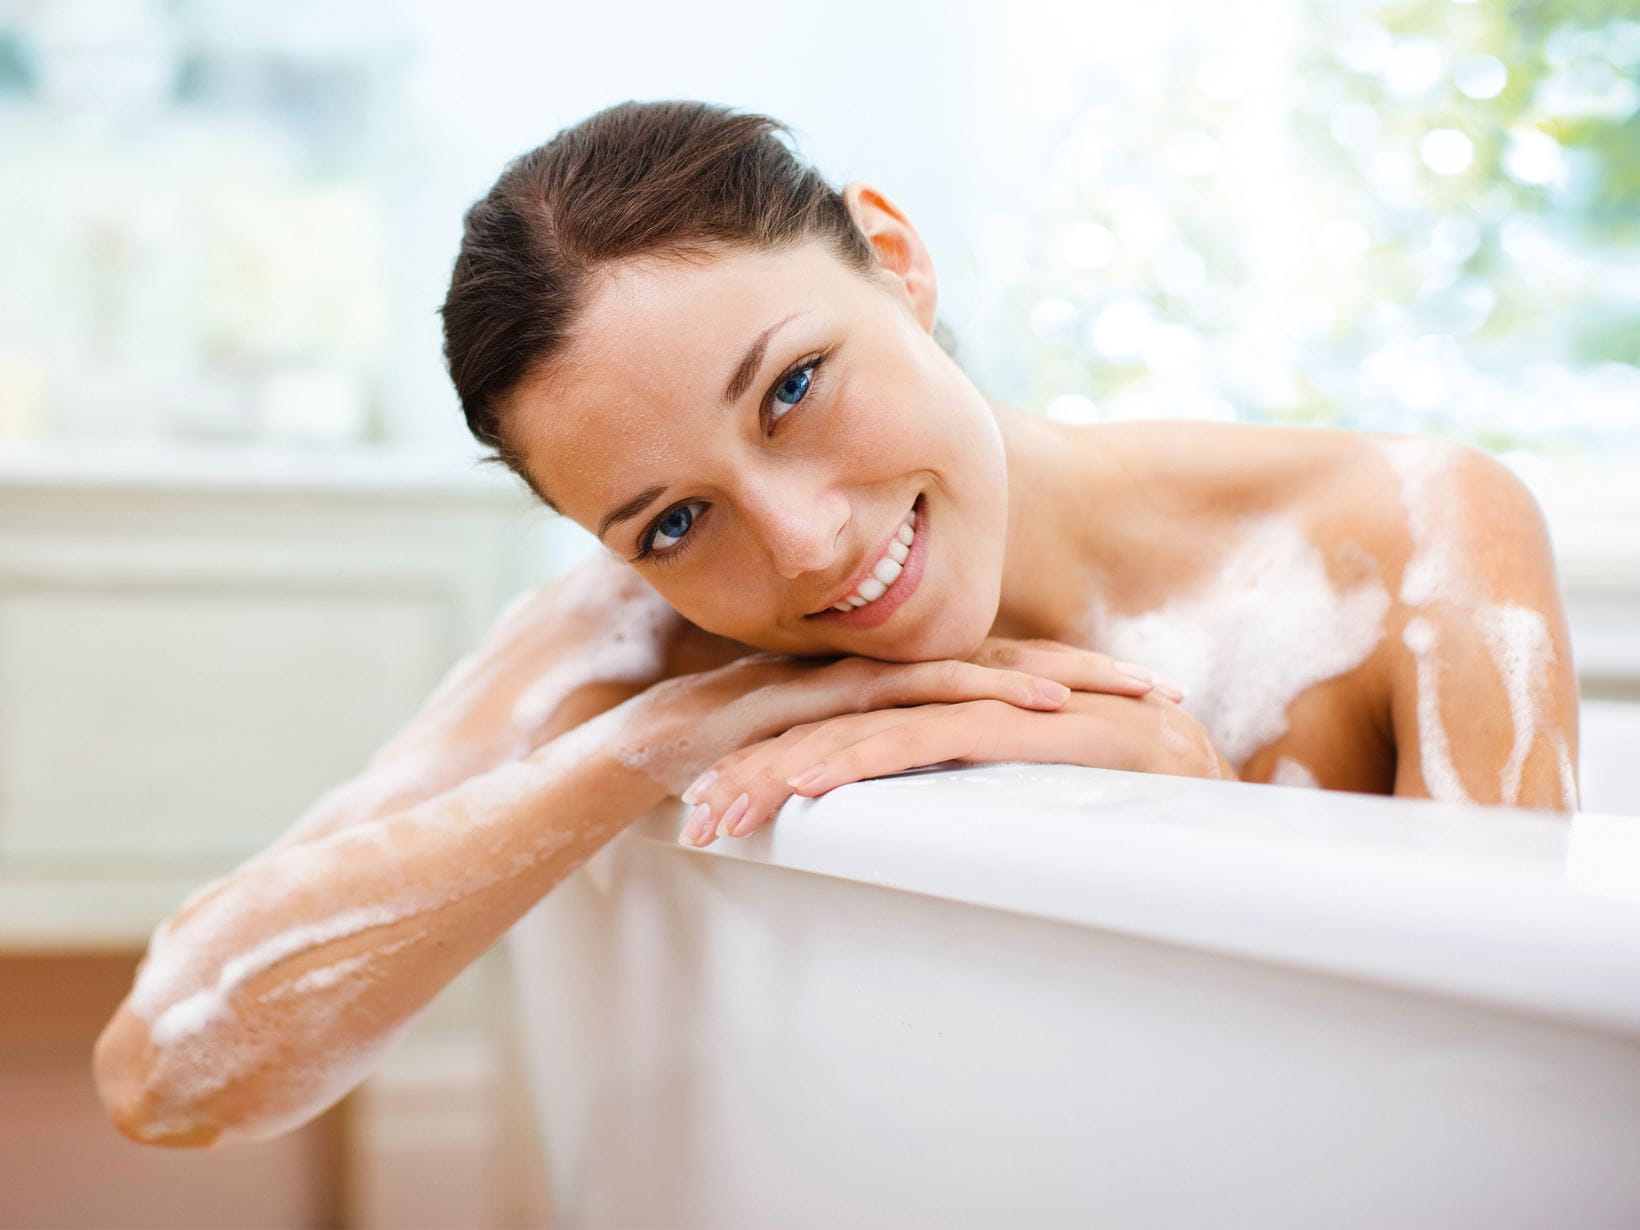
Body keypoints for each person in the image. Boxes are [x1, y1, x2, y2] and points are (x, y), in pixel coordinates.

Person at [93, 99, 1580, 1150]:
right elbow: (171, 1071)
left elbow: (1525, 1131)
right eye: (672, 521)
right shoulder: (642, 643)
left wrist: (1186, 812)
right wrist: (668, 736)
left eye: (793, 386)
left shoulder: (1408, 539)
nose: (804, 544)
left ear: (897, 256)